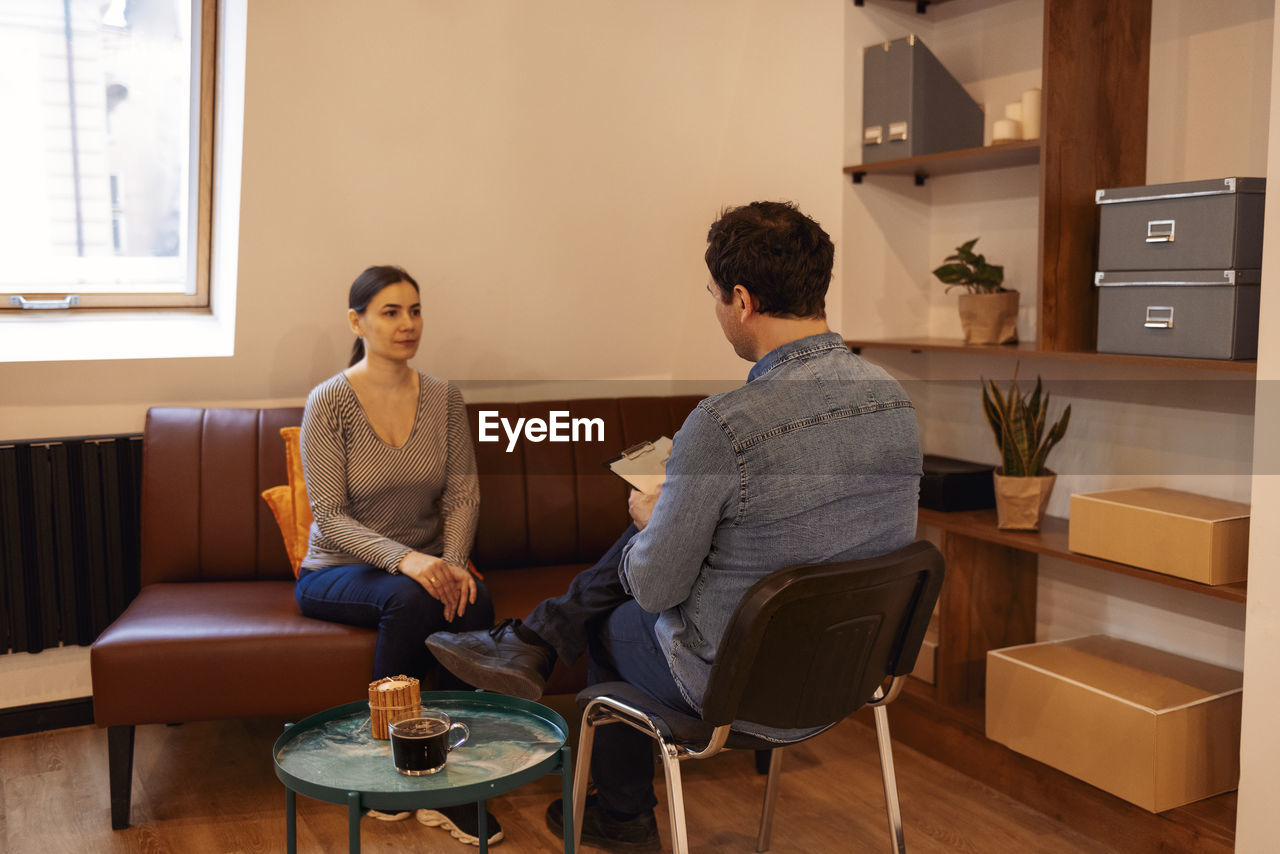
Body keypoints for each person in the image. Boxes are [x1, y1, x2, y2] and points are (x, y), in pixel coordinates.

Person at [428, 202, 922, 852]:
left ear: (741, 300)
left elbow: (657, 590)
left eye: (716, 297)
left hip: (737, 683)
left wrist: (653, 518)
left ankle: (622, 815)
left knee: (613, 620)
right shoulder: (896, 401)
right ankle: (536, 643)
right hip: (852, 673)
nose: (718, 310)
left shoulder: (726, 426)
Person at [295, 264, 502, 847]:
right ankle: (395, 772)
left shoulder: (443, 397)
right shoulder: (329, 402)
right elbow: (330, 518)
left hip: (427, 566)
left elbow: (462, 490)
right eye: (391, 312)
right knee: (414, 600)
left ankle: (457, 771)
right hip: (336, 571)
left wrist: (455, 562)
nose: (407, 324)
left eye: (414, 310)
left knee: (475, 598)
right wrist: (408, 560)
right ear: (357, 321)